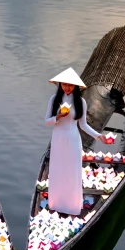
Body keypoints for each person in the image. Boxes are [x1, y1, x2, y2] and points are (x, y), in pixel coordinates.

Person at [45, 67, 105, 216]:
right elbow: (47, 121)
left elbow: (83, 125)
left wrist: (99, 136)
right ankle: (56, 204)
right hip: (58, 138)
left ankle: (71, 206)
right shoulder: (54, 100)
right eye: (64, 84)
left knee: (71, 172)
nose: (67, 88)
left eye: (70, 85)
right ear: (60, 85)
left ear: (75, 86)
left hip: (72, 139)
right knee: (58, 170)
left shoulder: (81, 102)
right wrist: (57, 117)